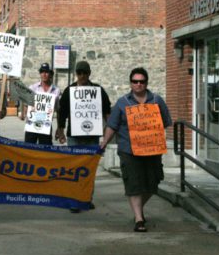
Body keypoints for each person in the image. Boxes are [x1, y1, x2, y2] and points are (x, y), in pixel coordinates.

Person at [100, 67, 172, 232]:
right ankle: (139, 218)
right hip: (129, 151)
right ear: (130, 83)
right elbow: (112, 125)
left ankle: (137, 208)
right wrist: (104, 142)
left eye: (142, 81)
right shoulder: (122, 102)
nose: (138, 84)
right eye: (135, 81)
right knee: (133, 183)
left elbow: (166, 122)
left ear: (146, 83)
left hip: (152, 150)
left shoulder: (156, 101)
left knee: (153, 183)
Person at [56, 60, 111, 213]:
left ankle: (86, 199)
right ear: (76, 74)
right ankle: (74, 201)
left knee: (89, 169)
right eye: (79, 73)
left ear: (89, 74)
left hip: (92, 136)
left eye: (84, 73)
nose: (82, 76)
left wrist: (109, 130)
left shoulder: (98, 90)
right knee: (73, 168)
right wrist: (60, 129)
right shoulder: (69, 90)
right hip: (74, 135)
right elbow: (63, 112)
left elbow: (107, 111)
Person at [21, 63, 61, 144]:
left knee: (46, 152)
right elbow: (25, 104)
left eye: (46, 72)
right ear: (40, 74)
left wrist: (59, 128)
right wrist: (23, 113)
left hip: (46, 126)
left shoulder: (56, 91)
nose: (44, 74)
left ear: (51, 74)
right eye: (42, 72)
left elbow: (59, 110)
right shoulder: (33, 88)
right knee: (28, 150)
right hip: (31, 125)